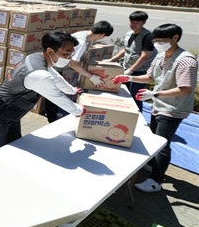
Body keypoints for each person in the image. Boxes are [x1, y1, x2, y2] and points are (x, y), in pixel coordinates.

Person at [113, 24, 197, 193]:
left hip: (173, 108)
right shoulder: (161, 56)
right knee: (153, 137)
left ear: (175, 38)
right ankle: (152, 165)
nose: (158, 43)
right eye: (156, 40)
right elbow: (150, 76)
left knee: (162, 144)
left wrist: (154, 94)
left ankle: (156, 181)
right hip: (160, 104)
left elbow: (185, 88)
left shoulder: (185, 61)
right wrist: (129, 77)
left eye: (162, 40)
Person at [0, 31, 85, 152]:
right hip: (0, 110)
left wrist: (72, 90)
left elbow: (56, 77)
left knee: (14, 142)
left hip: (13, 109)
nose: (69, 58)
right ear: (50, 51)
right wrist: (79, 110)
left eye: (71, 53)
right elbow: (57, 97)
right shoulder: (40, 75)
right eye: (66, 53)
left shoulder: (38, 57)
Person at [45, 21, 115, 123]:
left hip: (58, 65)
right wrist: (91, 76)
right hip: (56, 67)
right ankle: (51, 119)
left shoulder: (86, 36)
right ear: (102, 35)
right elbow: (73, 64)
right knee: (54, 94)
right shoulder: (81, 42)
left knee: (55, 92)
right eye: (103, 37)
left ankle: (52, 116)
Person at [107, 11, 156, 111]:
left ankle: (137, 115)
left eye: (137, 22)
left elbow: (145, 56)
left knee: (135, 95)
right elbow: (126, 49)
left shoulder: (148, 36)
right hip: (127, 67)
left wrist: (130, 70)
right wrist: (113, 59)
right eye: (132, 22)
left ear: (144, 22)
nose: (134, 25)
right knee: (123, 92)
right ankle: (123, 112)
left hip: (140, 71)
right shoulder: (129, 34)